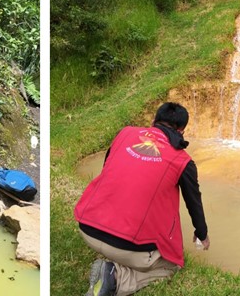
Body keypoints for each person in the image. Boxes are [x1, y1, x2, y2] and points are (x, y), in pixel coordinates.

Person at [74, 102, 210, 296]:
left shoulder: (125, 133)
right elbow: (193, 201)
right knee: (171, 267)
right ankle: (115, 277)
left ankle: (113, 263)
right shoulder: (183, 161)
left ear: (153, 121)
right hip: (129, 249)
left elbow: (107, 171)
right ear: (182, 131)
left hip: (87, 229)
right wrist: (202, 233)